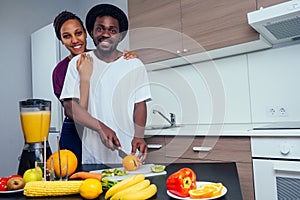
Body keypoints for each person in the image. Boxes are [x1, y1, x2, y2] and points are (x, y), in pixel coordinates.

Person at [60, 4, 151, 165]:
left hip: (127, 153)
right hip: (92, 153)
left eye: (113, 30)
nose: (106, 34)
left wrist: (139, 135)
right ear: (92, 33)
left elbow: (140, 104)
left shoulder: (134, 64)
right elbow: (70, 108)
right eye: (100, 29)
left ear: (120, 36)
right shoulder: (78, 63)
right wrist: (101, 127)